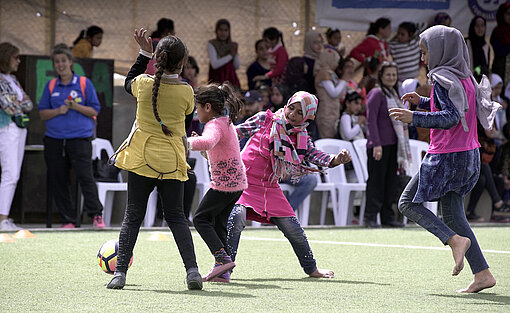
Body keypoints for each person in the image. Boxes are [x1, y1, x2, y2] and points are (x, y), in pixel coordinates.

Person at [390, 25, 499, 293]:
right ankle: (483, 273)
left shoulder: (441, 77)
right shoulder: (465, 78)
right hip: (469, 156)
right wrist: (423, 101)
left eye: (425, 52)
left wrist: (413, 116)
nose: (423, 59)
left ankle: (452, 241)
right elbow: (455, 108)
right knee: (453, 213)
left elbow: (450, 118)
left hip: (447, 157)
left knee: (406, 203)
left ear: (440, 51)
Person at [106, 29, 202, 290]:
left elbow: (129, 81)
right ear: (182, 63)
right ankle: (193, 271)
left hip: (141, 158)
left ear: (157, 58)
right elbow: (183, 126)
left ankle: (120, 274)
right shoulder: (187, 92)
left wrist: (143, 54)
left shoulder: (144, 84)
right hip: (172, 161)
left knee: (133, 216)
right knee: (177, 217)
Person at [226, 91, 352, 282]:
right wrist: (212, 138)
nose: (292, 114)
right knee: (237, 217)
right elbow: (235, 132)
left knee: (293, 229)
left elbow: (313, 154)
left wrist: (335, 160)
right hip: (243, 182)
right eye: (291, 107)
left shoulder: (302, 137)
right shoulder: (264, 119)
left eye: (300, 112)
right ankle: (224, 269)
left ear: (308, 117)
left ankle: (311, 268)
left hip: (270, 186)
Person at [38, 44, 104, 229]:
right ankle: (68, 220)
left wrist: (76, 107)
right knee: (59, 178)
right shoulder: (51, 85)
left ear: (70, 62)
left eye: (63, 61)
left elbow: (95, 110)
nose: (60, 65)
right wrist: (58, 110)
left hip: (80, 139)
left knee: (85, 176)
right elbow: (43, 113)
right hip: (55, 139)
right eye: (57, 61)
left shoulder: (83, 83)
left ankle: (96, 215)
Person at [187, 83, 247, 282]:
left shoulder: (213, 125)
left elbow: (208, 142)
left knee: (200, 219)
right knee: (219, 222)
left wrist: (184, 141)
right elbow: (214, 151)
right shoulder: (225, 122)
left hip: (225, 183)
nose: (196, 112)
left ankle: (221, 260)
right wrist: (201, 145)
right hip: (237, 183)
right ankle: (223, 272)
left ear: (207, 107)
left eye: (197, 107)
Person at [364, 61, 410, 228]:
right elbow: (371, 121)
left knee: (391, 182)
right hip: (379, 146)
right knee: (376, 182)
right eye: (388, 74)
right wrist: (376, 144)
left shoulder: (394, 95)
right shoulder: (376, 94)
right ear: (381, 76)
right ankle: (370, 217)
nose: (391, 77)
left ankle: (387, 217)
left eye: (394, 74)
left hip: (393, 146)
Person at [0, 42, 33, 230]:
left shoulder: (13, 80)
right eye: (15, 57)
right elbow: (8, 107)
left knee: (14, 174)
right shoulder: (1, 80)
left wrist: (17, 105)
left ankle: (4, 218)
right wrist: (18, 105)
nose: (19, 61)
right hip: (6, 128)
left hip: (20, 129)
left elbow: (29, 104)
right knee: (10, 173)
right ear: (5, 57)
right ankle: (2, 219)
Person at [314, 48, 347, 138]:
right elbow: (334, 93)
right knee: (327, 139)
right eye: (335, 61)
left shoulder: (331, 74)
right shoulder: (323, 74)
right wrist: (344, 80)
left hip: (333, 111)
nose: (336, 64)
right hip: (326, 112)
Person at [208, 19, 240, 87]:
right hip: (217, 78)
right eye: (220, 30)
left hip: (230, 79)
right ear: (216, 31)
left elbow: (236, 66)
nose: (223, 33)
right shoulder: (212, 44)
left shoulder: (232, 45)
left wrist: (235, 53)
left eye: (226, 30)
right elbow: (214, 64)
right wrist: (230, 56)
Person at [465, 16, 492, 81]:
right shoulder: (467, 43)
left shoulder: (486, 46)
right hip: (467, 79)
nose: (480, 29)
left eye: (482, 25)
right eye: (477, 26)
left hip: (481, 81)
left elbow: (486, 65)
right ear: (473, 27)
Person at [490, 3, 510, 87]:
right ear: (502, 15)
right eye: (508, 13)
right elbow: (499, 51)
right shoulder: (498, 32)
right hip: (501, 70)